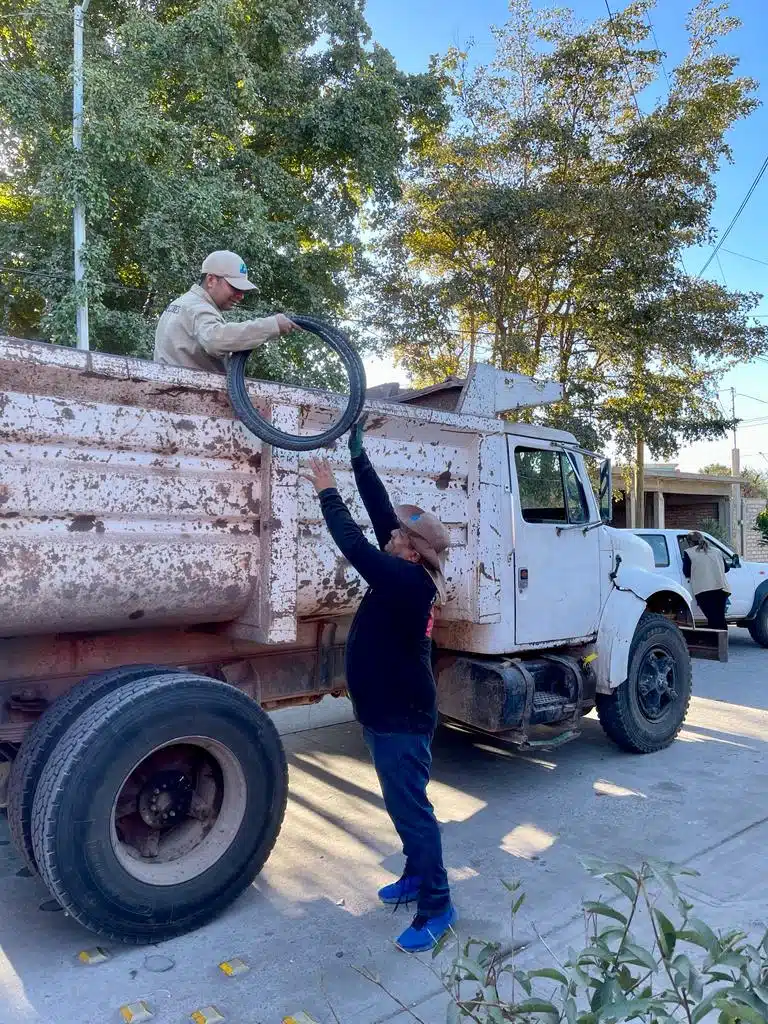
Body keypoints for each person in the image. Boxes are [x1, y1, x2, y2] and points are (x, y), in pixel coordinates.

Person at [302, 419, 456, 953]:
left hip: (402, 719)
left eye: (399, 536)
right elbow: (380, 514)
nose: (390, 534)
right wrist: (360, 459)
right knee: (404, 808)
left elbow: (353, 539)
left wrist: (326, 489)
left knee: (413, 812)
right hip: (385, 714)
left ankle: (438, 905)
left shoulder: (407, 581)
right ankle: (416, 878)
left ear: (413, 552)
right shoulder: (405, 568)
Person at [153, 250, 297, 373]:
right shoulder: (198, 308)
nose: (240, 296)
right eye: (235, 288)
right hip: (189, 397)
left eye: (242, 291)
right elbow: (215, 340)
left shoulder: (182, 303)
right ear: (211, 280)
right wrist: (272, 325)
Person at [682, 531, 731, 630]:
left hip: (704, 590)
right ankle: (721, 642)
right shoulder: (716, 551)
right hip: (721, 589)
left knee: (712, 618)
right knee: (720, 618)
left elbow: (686, 572)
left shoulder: (689, 553)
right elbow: (726, 569)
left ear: (689, 542)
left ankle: (716, 642)